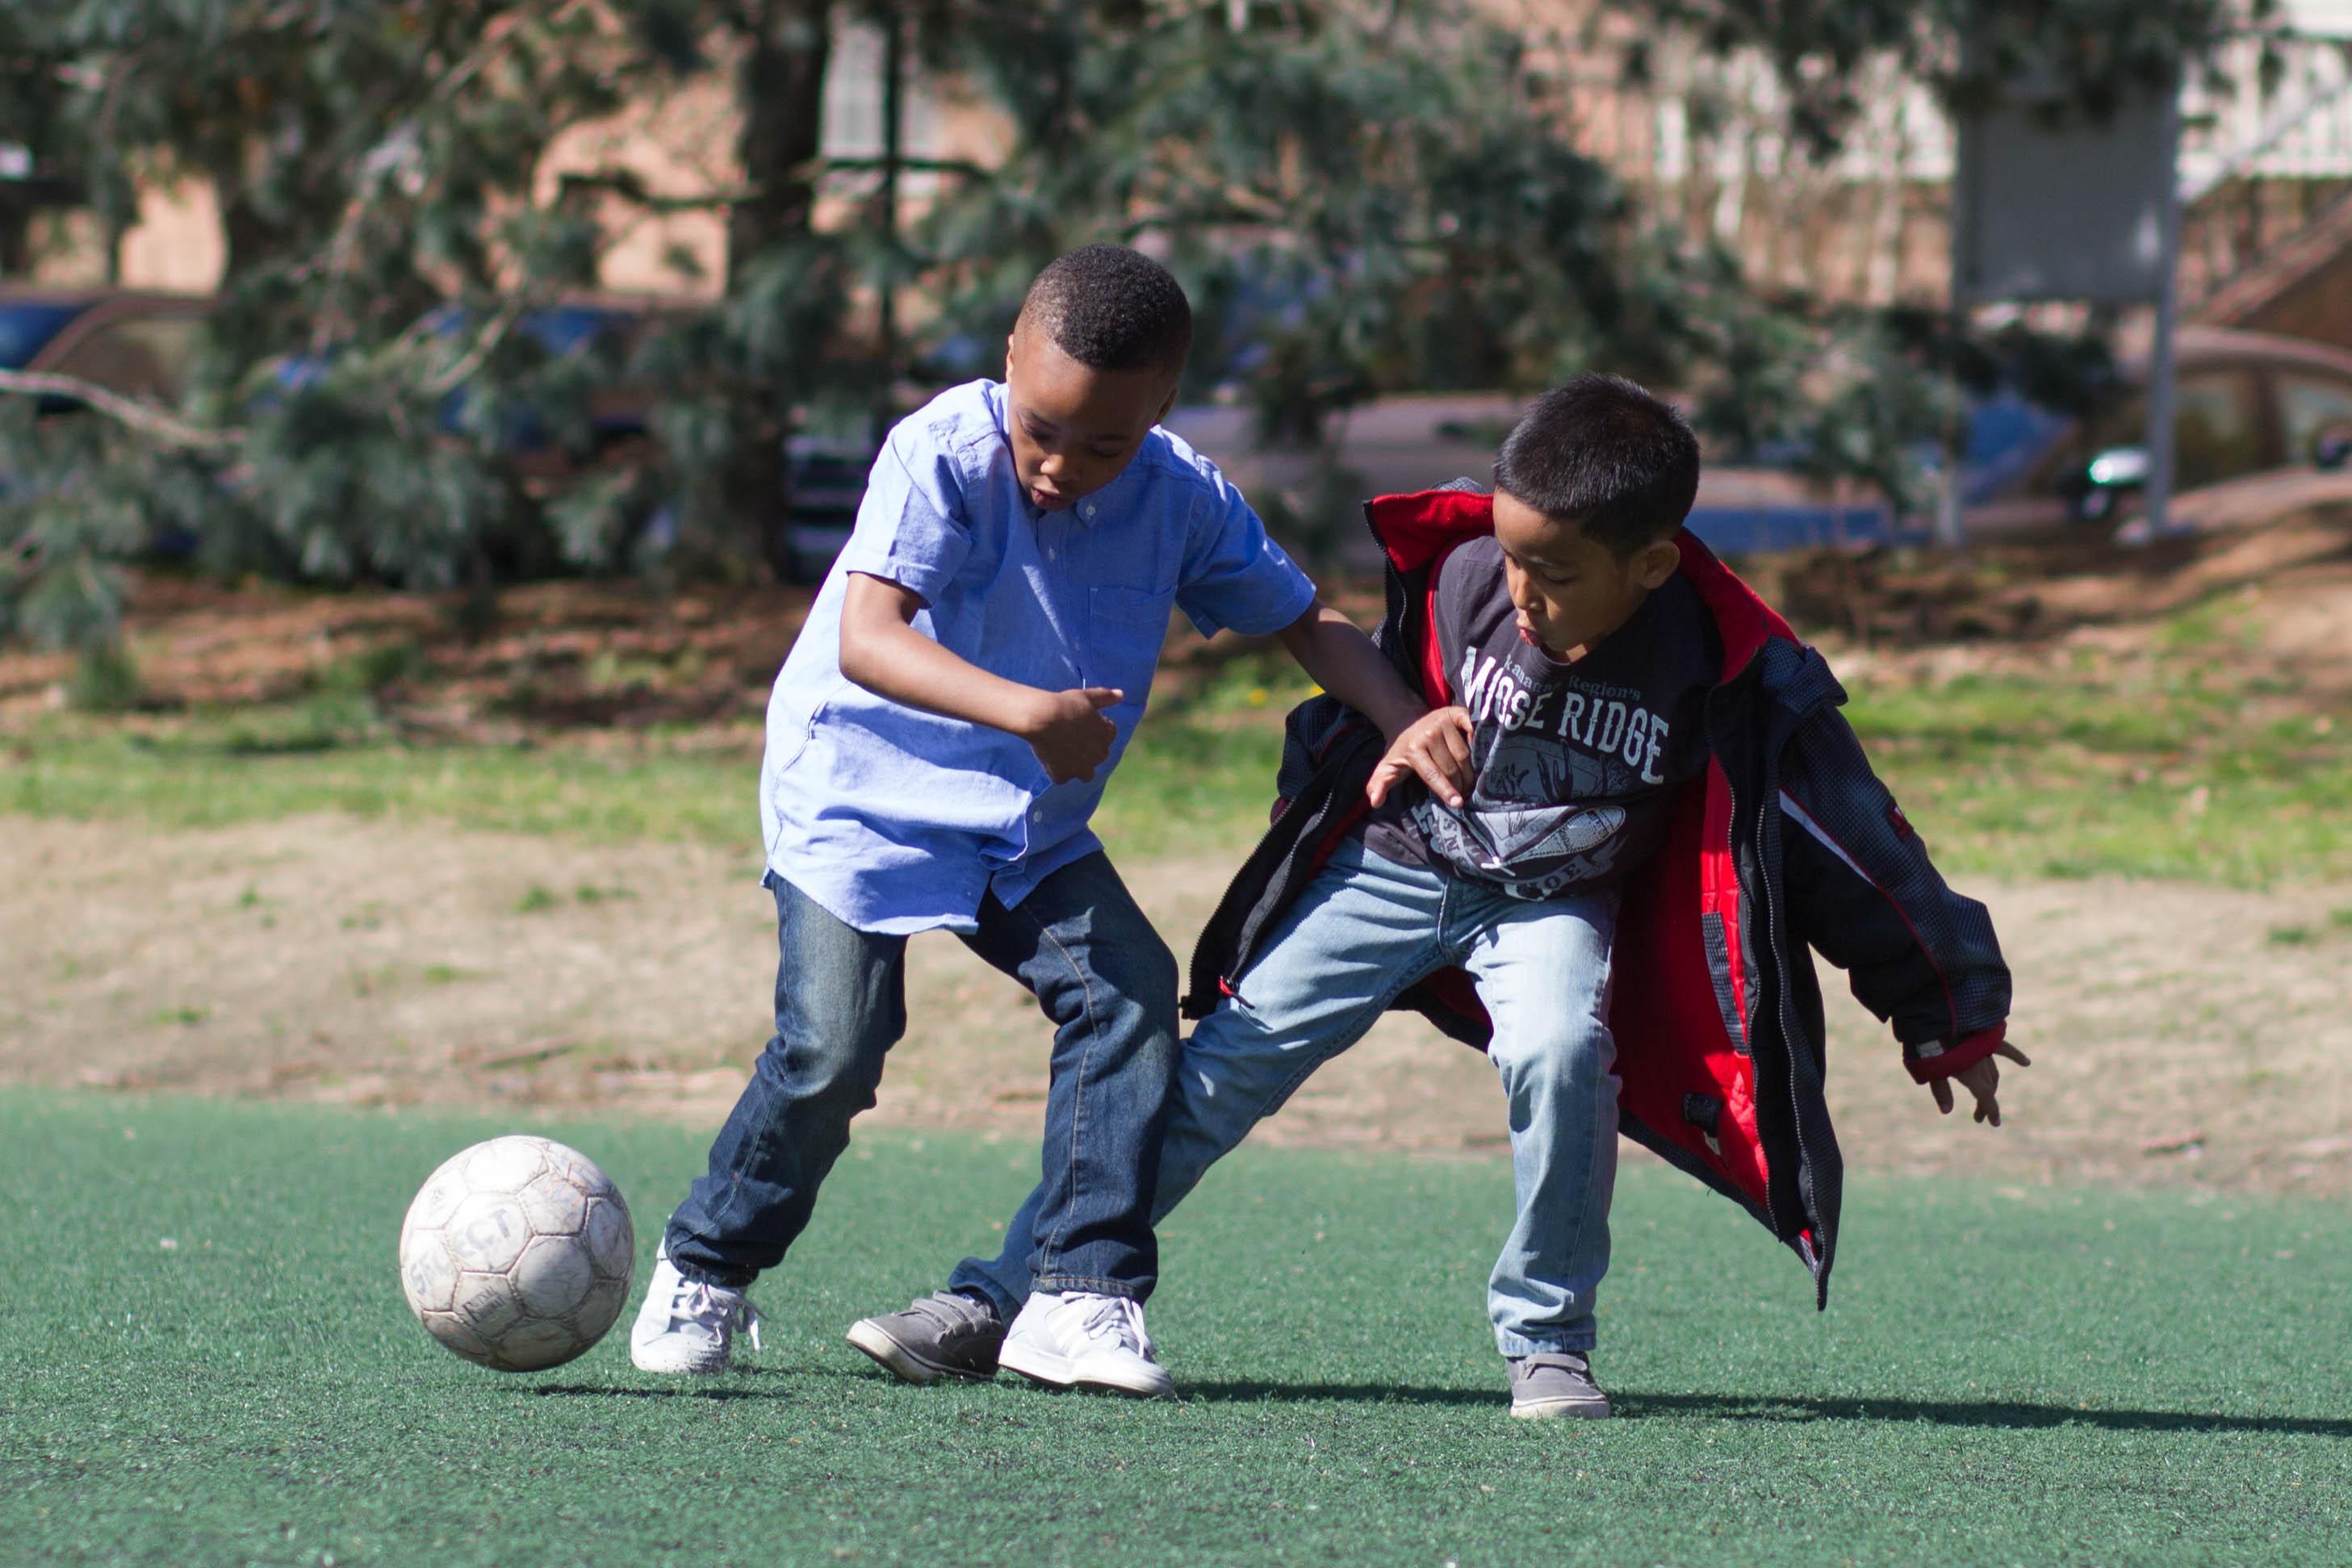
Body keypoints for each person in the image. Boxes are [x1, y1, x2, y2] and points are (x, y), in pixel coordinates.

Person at [851, 374, 2023, 1417]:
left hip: (1550, 906)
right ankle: (1004, 1297)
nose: (1518, 593)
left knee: (1563, 1051)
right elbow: (1349, 705)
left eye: (1555, 574)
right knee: (1211, 1075)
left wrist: (1946, 1013)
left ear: (1651, 564)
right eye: (1510, 558)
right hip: (1399, 869)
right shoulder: (1466, 575)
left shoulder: (1720, 667)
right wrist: (1368, 756)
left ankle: (1548, 1343)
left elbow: (1858, 848)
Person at [628, 245, 1429, 1396]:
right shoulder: (939, 453)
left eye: (1102, 443)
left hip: (1018, 821)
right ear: (1009, 360)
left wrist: (1402, 717)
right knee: (835, 1050)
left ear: (1160, 407)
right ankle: (706, 1261)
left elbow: (1307, 623)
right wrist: (1027, 713)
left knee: (1126, 993)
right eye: (1040, 428)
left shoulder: (1180, 495)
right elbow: (868, 636)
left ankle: (1075, 1294)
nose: (1057, 467)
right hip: (858, 795)